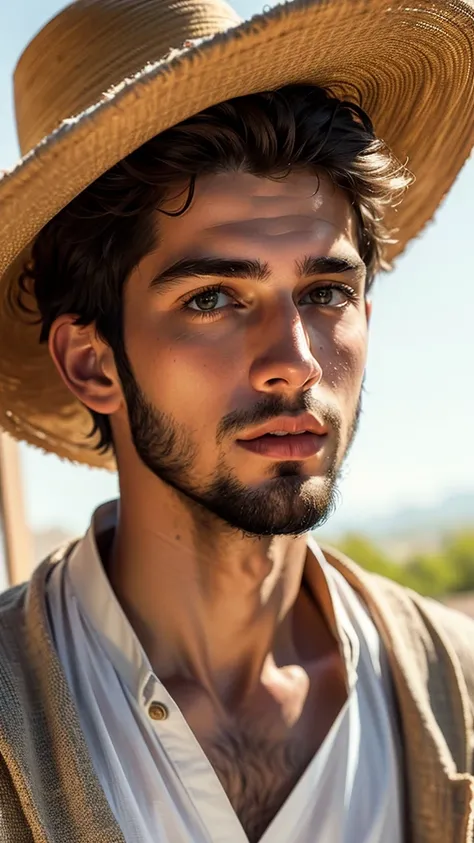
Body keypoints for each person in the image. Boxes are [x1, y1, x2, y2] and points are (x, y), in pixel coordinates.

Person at [0, 0, 474, 840]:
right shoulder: (16, 707)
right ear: (93, 361)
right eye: (213, 297)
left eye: (326, 292)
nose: (293, 357)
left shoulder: (457, 690)